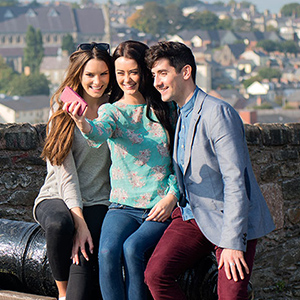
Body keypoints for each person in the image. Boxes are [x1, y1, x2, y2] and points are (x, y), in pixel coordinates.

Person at [144, 41, 275, 300]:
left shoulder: (218, 113)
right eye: (154, 75)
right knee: (156, 275)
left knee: (230, 296)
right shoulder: (181, 113)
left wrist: (232, 242)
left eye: (163, 73)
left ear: (185, 72)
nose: (156, 82)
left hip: (230, 219)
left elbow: (236, 181)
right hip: (195, 216)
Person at [64, 40, 179, 300]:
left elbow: (181, 160)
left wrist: (172, 197)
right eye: (120, 73)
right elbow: (98, 132)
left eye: (133, 72)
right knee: (106, 253)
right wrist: (82, 122)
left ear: (144, 72)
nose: (127, 79)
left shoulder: (165, 108)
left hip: (158, 204)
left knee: (132, 249)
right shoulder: (111, 111)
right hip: (122, 206)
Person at [33, 42, 114, 300]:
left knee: (85, 270)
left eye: (103, 74)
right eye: (90, 75)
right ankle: (62, 292)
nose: (97, 81)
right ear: (78, 75)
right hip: (58, 194)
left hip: (99, 200)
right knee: (59, 224)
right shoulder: (62, 110)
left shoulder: (115, 109)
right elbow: (65, 173)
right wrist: (79, 221)